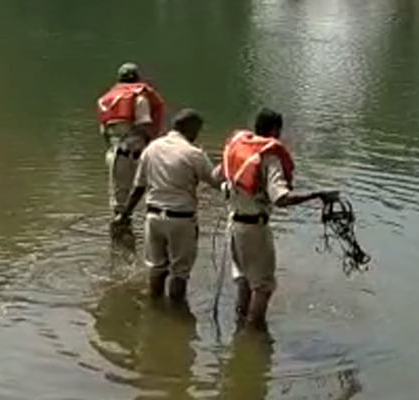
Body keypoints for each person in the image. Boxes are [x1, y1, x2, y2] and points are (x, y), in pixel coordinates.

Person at [222, 108, 338, 333]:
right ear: (275, 130)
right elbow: (281, 199)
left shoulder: (238, 149)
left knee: (244, 280)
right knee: (263, 287)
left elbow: (219, 176)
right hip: (255, 228)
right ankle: (254, 337)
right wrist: (317, 195)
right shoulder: (269, 157)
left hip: (233, 223)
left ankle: (240, 325)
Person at [119, 109, 221, 301]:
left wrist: (125, 214)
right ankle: (176, 316)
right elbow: (216, 181)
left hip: (153, 218)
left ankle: (155, 311)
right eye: (197, 130)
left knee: (156, 268)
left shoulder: (152, 148)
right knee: (179, 273)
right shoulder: (194, 153)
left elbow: (138, 187)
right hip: (181, 220)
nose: (197, 135)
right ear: (189, 129)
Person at [97, 63, 166, 241]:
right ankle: (134, 239)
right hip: (133, 152)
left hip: (114, 152)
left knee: (118, 198)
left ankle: (120, 243)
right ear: (137, 78)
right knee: (151, 193)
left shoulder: (107, 100)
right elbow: (144, 126)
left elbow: (103, 131)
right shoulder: (138, 97)